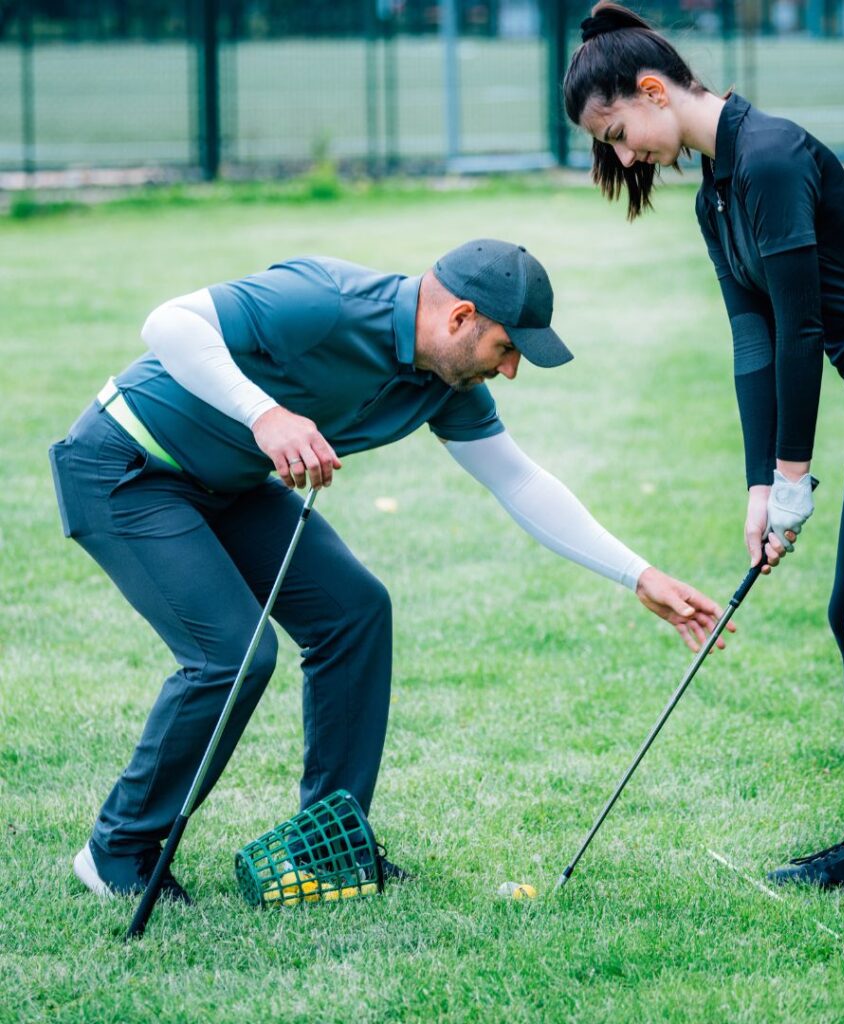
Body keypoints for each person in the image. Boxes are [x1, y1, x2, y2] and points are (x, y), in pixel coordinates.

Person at [50, 238, 735, 904]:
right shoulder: (327, 299)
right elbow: (167, 323)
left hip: (226, 484)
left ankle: (323, 848)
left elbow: (518, 481)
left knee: (354, 610)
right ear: (461, 318)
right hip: (126, 466)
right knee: (230, 656)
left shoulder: (443, 380)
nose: (511, 371)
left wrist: (638, 575)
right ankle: (118, 853)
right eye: (507, 349)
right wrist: (267, 416)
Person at [564, 3, 844, 894]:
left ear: (653, 92)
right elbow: (756, 338)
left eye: (618, 133)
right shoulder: (718, 189)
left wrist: (792, 474)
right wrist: (756, 488)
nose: (624, 158)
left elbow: (805, 326)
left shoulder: (770, 156)